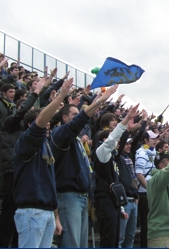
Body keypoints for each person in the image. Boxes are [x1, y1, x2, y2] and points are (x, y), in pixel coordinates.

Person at [50, 84, 119, 248]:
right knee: (70, 243)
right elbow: (78, 122)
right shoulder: (60, 134)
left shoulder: (77, 142)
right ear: (65, 118)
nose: (78, 117)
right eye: (74, 114)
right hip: (68, 196)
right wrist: (99, 102)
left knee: (81, 244)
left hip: (81, 196)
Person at [12, 77, 72, 248]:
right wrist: (60, 98)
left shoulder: (47, 147)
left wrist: (56, 218)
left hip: (46, 213)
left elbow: (50, 186)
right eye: (44, 122)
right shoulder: (25, 143)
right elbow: (39, 124)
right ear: (31, 124)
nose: (47, 126)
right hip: (31, 212)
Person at [93, 104, 139, 247]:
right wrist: (124, 121)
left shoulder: (112, 157)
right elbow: (112, 140)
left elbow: (115, 184)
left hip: (113, 203)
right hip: (104, 202)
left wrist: (121, 208)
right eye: (115, 140)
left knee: (113, 240)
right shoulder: (102, 153)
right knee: (108, 240)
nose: (118, 143)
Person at [135, 130, 160, 247]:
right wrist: (150, 191)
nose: (156, 140)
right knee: (146, 225)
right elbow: (139, 174)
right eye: (153, 138)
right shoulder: (142, 154)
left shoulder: (150, 152)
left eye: (156, 138)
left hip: (149, 193)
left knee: (151, 224)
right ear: (145, 140)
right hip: (145, 194)